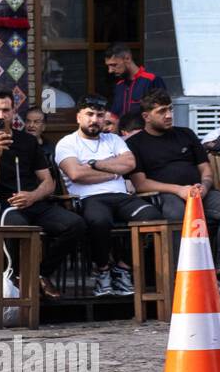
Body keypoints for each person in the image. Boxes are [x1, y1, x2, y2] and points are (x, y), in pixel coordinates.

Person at [127, 90, 220, 298]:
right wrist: (178, 190)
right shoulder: (136, 143)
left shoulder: (186, 134)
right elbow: (140, 183)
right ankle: (183, 276)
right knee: (178, 214)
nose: (169, 115)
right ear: (146, 116)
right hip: (164, 194)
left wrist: (205, 186)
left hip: (199, 192)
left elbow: (206, 169)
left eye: (170, 109)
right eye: (162, 111)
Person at [0, 88, 84, 299]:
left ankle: (40, 273)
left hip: (34, 202)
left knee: (75, 224)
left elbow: (48, 182)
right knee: (18, 224)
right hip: (2, 205)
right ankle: (16, 277)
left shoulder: (28, 141)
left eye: (5, 110)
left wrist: (32, 196)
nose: (1, 115)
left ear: (13, 112)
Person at [55, 94, 163, 297]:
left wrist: (95, 164)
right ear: (78, 117)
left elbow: (129, 164)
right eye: (89, 114)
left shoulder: (113, 139)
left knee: (153, 218)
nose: (94, 120)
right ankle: (102, 271)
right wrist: (114, 171)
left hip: (121, 197)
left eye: (99, 115)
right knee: (99, 221)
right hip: (88, 199)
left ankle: (122, 268)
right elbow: (76, 174)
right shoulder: (67, 143)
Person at [106, 42, 167, 120]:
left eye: (114, 65)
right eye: (108, 66)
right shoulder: (119, 86)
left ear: (127, 58)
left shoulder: (151, 80)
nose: (110, 70)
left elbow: (163, 114)